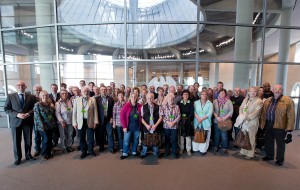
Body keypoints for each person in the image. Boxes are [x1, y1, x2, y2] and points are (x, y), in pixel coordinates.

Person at [260, 84, 295, 166]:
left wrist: (289, 128)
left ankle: (280, 159)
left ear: (282, 90)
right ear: (272, 90)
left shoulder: (288, 100)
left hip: (280, 125)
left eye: (279, 89)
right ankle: (269, 155)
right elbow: (263, 113)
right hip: (268, 123)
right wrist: (262, 123)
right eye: (275, 89)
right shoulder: (268, 100)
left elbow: (291, 115)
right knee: (268, 141)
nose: (277, 90)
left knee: (280, 143)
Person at [4, 81, 37, 165]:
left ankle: (28, 155)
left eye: (22, 85)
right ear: (16, 86)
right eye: (19, 85)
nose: (21, 87)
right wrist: (17, 114)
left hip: (27, 121)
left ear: (25, 86)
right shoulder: (10, 96)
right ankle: (17, 158)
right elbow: (6, 109)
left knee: (28, 140)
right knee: (16, 141)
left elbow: (35, 108)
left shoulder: (32, 97)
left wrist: (28, 113)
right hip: (15, 122)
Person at [236, 87, 263, 159]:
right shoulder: (246, 99)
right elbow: (241, 108)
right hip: (243, 121)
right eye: (251, 91)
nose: (253, 93)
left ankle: (250, 154)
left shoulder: (259, 101)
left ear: (257, 92)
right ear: (249, 92)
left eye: (255, 91)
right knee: (244, 136)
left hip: (252, 121)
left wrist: (246, 118)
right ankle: (243, 151)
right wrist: (241, 116)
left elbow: (256, 112)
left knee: (251, 137)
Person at [72, 86, 99, 159]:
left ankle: (90, 150)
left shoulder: (92, 100)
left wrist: (95, 122)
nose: (86, 92)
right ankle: (84, 151)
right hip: (80, 121)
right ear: (81, 92)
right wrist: (74, 122)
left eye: (87, 91)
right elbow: (74, 112)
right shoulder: (76, 100)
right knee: (81, 137)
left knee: (90, 137)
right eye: (84, 91)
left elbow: (95, 111)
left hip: (90, 120)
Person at [33, 90, 57, 160]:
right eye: (43, 95)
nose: (45, 96)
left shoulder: (50, 104)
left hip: (50, 125)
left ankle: (48, 153)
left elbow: (51, 115)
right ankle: (44, 154)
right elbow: (37, 117)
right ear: (40, 96)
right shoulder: (37, 105)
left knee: (49, 140)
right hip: (42, 126)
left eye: (46, 95)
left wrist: (53, 108)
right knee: (45, 140)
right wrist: (42, 126)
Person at [140, 93, 163, 159]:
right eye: (148, 98)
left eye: (151, 98)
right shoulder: (143, 107)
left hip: (155, 126)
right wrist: (146, 125)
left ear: (153, 98)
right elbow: (141, 118)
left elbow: (161, 117)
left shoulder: (158, 106)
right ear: (146, 99)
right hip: (147, 127)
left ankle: (156, 153)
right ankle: (143, 153)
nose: (149, 100)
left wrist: (155, 125)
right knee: (146, 141)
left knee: (155, 141)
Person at [120, 93, 142, 159]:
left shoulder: (140, 106)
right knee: (126, 140)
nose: (133, 98)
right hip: (128, 127)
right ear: (130, 97)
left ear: (137, 97)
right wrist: (124, 126)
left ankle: (134, 151)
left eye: (135, 96)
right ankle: (125, 153)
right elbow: (122, 116)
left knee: (136, 140)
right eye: (132, 96)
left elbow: (142, 115)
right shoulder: (126, 105)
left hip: (137, 127)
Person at [212, 88, 233, 155]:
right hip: (216, 120)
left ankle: (224, 147)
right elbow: (212, 110)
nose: (222, 94)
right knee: (217, 134)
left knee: (224, 135)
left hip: (225, 121)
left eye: (223, 93)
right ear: (218, 94)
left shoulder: (228, 101)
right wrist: (217, 116)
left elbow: (231, 111)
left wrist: (225, 117)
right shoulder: (215, 101)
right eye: (220, 93)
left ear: (225, 94)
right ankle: (216, 146)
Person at [95, 86, 115, 153]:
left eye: (104, 90)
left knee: (110, 134)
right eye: (102, 90)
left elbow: (113, 110)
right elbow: (95, 110)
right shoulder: (96, 99)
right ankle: (101, 147)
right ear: (100, 91)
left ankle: (111, 148)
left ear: (106, 90)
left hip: (108, 120)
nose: (103, 91)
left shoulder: (110, 99)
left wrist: (112, 117)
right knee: (101, 134)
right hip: (100, 120)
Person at [161, 93, 181, 159]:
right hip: (166, 126)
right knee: (167, 139)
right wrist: (168, 122)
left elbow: (179, 116)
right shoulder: (163, 107)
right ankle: (167, 151)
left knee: (174, 140)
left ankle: (174, 152)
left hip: (174, 126)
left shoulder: (177, 107)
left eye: (172, 99)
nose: (171, 100)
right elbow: (162, 116)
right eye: (169, 99)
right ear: (167, 99)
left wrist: (173, 122)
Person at [193, 90, 213, 155]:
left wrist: (201, 119)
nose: (204, 95)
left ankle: (203, 150)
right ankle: (196, 148)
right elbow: (194, 111)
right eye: (202, 94)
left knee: (205, 136)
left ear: (207, 95)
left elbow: (210, 113)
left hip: (206, 122)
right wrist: (198, 118)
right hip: (197, 122)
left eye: (205, 94)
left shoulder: (210, 103)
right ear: (200, 95)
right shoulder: (196, 102)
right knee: (197, 135)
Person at [177, 90, 194, 156]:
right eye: (184, 94)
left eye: (187, 94)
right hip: (181, 121)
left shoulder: (191, 103)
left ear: (188, 95)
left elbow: (192, 113)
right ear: (182, 95)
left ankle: (188, 149)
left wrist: (187, 118)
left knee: (188, 136)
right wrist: (181, 118)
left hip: (188, 121)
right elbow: (178, 112)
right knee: (181, 136)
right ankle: (181, 148)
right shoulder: (179, 103)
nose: (185, 95)